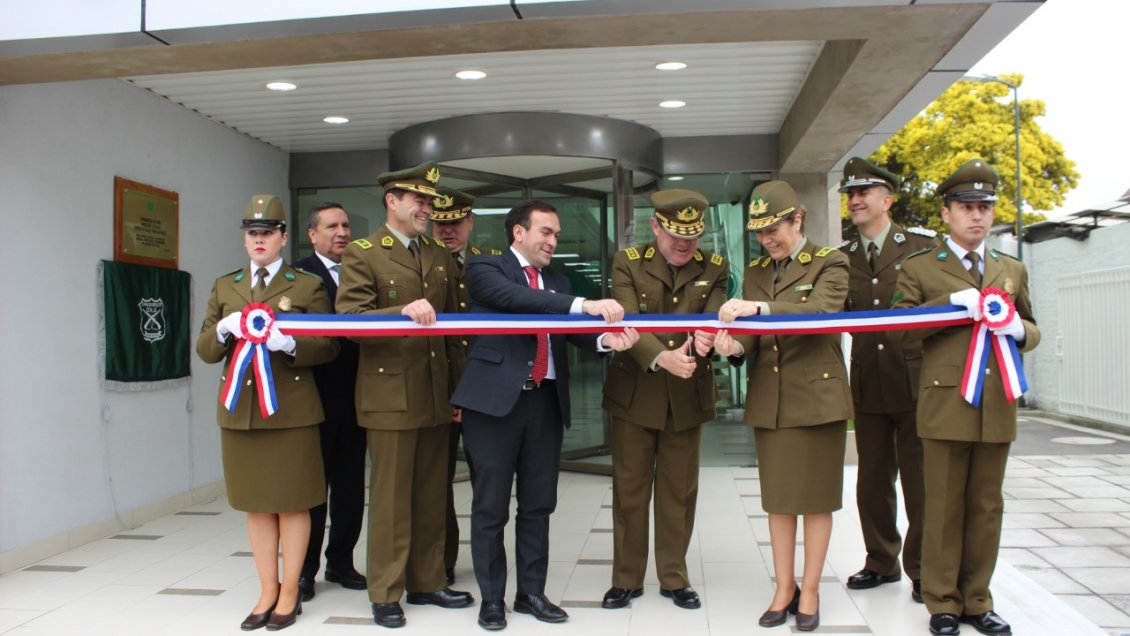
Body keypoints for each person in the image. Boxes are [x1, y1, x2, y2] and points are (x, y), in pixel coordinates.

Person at [450, 200, 640, 631]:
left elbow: (575, 334)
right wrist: (581, 304)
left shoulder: (556, 280)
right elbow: (518, 300)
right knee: (490, 507)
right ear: (518, 232)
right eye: (546, 233)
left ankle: (530, 594)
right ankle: (492, 600)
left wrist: (609, 341)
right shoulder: (486, 269)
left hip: (544, 402)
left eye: (555, 234)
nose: (553, 241)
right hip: (493, 405)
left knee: (538, 505)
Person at [892, 159, 1039, 636]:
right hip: (946, 402)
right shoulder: (920, 268)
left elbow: (1032, 328)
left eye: (985, 207)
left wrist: (1019, 329)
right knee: (943, 504)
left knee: (986, 505)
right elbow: (899, 331)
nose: (977, 216)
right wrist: (948, 306)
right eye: (967, 207)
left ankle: (979, 599)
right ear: (947, 213)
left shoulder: (1009, 268)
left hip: (997, 402)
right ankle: (942, 602)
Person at [698, 180, 851, 632]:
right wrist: (733, 348)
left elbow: (824, 313)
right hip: (772, 399)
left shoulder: (830, 262)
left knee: (816, 500)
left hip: (817, 397)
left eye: (774, 230)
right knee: (780, 501)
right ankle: (784, 587)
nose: (767, 240)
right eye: (760, 233)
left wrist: (758, 310)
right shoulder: (758, 270)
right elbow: (754, 341)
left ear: (797, 220)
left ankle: (811, 589)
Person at [336, 161, 473, 629]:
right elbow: (349, 320)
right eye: (419, 200)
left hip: (437, 394)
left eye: (430, 201)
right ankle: (386, 591)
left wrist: (460, 391)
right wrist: (400, 311)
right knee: (392, 500)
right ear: (392, 202)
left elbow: (456, 331)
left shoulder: (439, 254)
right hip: (389, 396)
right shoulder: (363, 253)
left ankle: (428, 580)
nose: (427, 208)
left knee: (433, 494)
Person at [196, 194, 340, 632]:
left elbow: (330, 345)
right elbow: (203, 350)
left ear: (283, 237)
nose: (259, 240)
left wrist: (289, 343)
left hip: (290, 410)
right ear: (245, 240)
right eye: (251, 234)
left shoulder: (306, 285)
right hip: (241, 412)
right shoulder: (226, 286)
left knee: (294, 503)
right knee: (256, 505)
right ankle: (267, 589)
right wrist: (223, 329)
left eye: (267, 233)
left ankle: (292, 591)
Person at [600, 189, 727, 611]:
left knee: (678, 492)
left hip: (687, 393)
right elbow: (627, 317)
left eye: (692, 237)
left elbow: (714, 314)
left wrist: (702, 343)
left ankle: (674, 577)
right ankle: (626, 578)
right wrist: (661, 357)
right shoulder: (628, 263)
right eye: (675, 235)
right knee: (630, 490)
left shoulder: (716, 266)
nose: (683, 245)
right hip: (636, 392)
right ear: (655, 226)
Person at [837, 157, 938, 603]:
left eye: (864, 193)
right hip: (867, 382)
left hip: (915, 382)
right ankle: (881, 561)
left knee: (920, 482)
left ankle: (922, 568)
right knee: (872, 481)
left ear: (887, 199)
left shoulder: (920, 248)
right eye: (850, 194)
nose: (855, 200)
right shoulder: (841, 258)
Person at [293, 203, 367, 601]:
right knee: (312, 490)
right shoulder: (299, 276)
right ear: (312, 234)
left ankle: (341, 561)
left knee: (351, 487)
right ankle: (305, 570)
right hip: (314, 399)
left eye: (346, 224)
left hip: (357, 398)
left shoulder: (360, 266)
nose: (341, 232)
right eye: (332, 226)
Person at [429, 186, 501, 586]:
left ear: (470, 221)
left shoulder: (491, 264)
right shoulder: (421, 264)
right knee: (437, 484)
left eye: (455, 222)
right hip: (437, 388)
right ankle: (441, 563)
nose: (447, 230)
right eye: (439, 223)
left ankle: (489, 564)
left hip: (485, 393)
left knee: (487, 483)